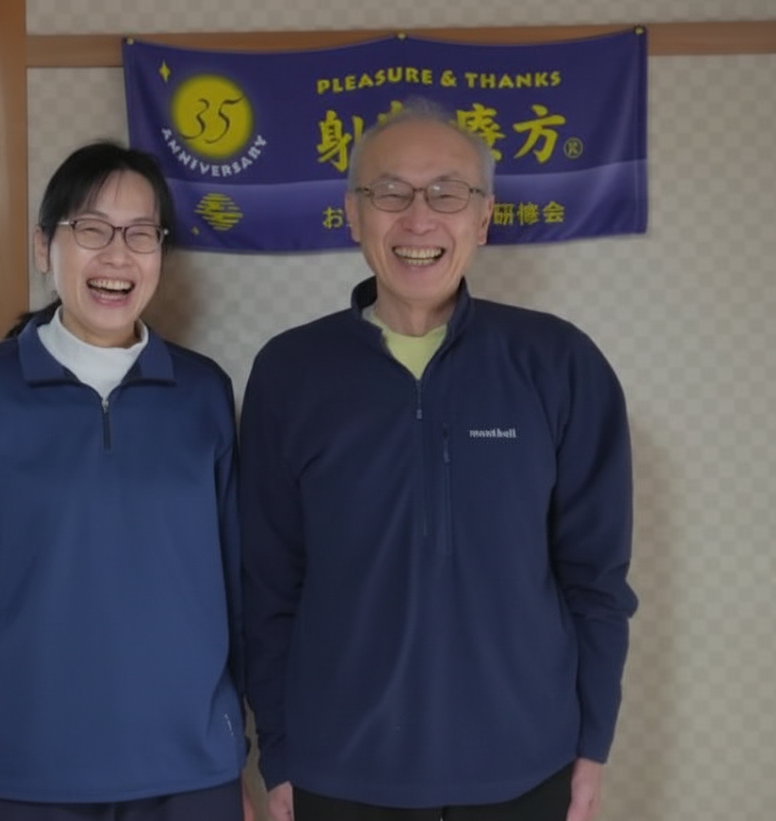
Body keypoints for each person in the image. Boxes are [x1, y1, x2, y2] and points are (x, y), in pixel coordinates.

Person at [240, 99, 637, 821]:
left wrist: (592, 747)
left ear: (483, 218)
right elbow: (267, 587)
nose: (418, 219)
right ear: (353, 214)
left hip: (527, 767)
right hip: (337, 770)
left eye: (447, 193)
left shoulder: (558, 362)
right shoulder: (289, 371)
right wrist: (280, 751)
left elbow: (597, 581)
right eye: (390, 192)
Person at [0, 141, 247, 821]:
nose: (118, 255)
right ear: (45, 247)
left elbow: (237, 583)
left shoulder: (203, 392)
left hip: (189, 770)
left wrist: (233, 756)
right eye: (92, 229)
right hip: (21, 772)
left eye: (140, 234)